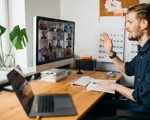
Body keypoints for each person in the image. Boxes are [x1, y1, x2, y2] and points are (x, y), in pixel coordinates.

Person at [93, 3, 150, 120]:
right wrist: (111, 53)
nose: (126, 26)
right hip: (135, 106)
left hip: (143, 114)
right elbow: (127, 69)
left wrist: (115, 87)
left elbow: (144, 97)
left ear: (144, 24)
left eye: (129, 22)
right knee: (95, 108)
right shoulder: (143, 51)